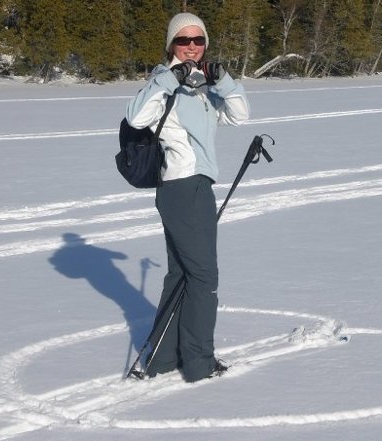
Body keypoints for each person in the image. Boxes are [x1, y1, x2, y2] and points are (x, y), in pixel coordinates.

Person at [125, 12, 249, 382]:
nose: (192, 47)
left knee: (181, 274)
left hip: (191, 189)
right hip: (183, 187)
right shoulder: (164, 83)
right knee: (203, 277)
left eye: (198, 40)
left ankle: (163, 358)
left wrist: (222, 79)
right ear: (171, 45)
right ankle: (198, 362)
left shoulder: (203, 89)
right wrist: (170, 78)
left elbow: (239, 115)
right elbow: (136, 117)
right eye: (184, 40)